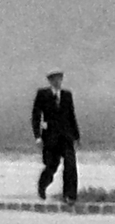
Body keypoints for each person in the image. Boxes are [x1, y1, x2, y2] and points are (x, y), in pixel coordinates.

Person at [31, 69, 80, 204]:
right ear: (50, 81)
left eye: (60, 79)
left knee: (70, 164)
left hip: (66, 136)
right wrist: (38, 136)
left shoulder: (67, 95)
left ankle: (70, 195)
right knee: (51, 165)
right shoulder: (43, 94)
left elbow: (71, 116)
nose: (58, 81)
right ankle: (42, 185)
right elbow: (36, 116)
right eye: (55, 79)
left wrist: (76, 136)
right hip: (50, 137)